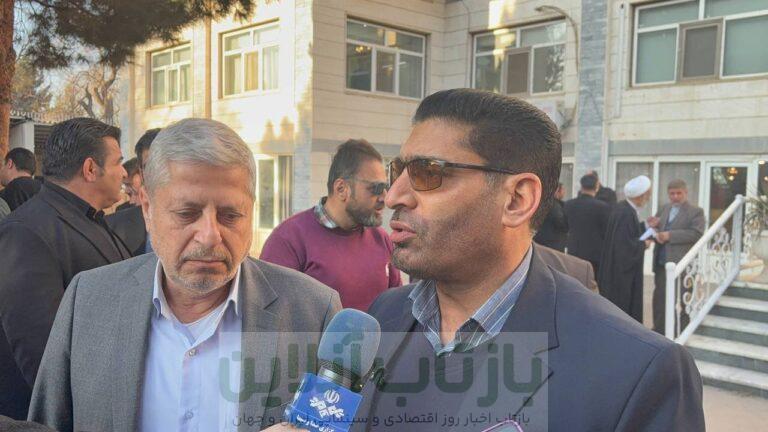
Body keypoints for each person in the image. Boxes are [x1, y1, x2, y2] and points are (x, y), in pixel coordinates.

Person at [352, 90, 703, 431]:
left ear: (517, 200)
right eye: (398, 170)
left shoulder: (636, 371)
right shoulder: (384, 314)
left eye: (427, 172)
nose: (394, 195)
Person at [28, 118, 341, 432]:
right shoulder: (88, 301)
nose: (210, 236)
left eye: (230, 215)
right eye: (186, 213)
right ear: (147, 209)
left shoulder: (315, 313)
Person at [0, 118, 131, 420]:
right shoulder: (26, 232)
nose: (124, 172)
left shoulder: (88, 219)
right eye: (118, 162)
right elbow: (42, 353)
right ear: (90, 169)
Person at [260, 139, 401, 310]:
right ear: (341, 189)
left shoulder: (382, 240)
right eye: (376, 188)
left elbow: (397, 308)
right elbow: (270, 314)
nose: (385, 198)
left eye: (386, 188)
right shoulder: (288, 240)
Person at [648, 179, 705, 334]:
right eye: (672, 194)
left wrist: (670, 235)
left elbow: (696, 234)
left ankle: (683, 331)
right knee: (660, 299)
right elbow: (656, 231)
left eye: (679, 193)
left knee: (683, 298)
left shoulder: (696, 211)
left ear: (686, 192)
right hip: (661, 262)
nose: (675, 197)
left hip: (683, 264)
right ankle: (660, 330)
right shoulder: (664, 208)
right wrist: (653, 228)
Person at [598, 175, 653, 324]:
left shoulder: (624, 208)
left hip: (616, 272)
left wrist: (645, 226)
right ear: (641, 196)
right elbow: (624, 246)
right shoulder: (625, 213)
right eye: (648, 194)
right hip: (621, 278)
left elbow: (628, 234)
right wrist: (643, 245)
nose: (649, 198)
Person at [106, 129, 160, 256]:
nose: (161, 173)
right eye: (151, 166)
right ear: (141, 172)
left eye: (168, 164)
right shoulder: (114, 227)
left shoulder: (204, 225)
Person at [564, 174, 612, 277]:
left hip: (574, 251)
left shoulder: (568, 205)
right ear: (596, 187)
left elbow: (565, 226)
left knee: (574, 282)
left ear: (581, 187)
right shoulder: (603, 207)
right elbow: (607, 231)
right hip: (595, 254)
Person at [533, 182, 568, 251]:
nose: (564, 193)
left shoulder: (541, 203)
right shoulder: (555, 206)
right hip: (553, 243)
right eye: (563, 190)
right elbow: (560, 222)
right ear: (557, 191)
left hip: (540, 240)